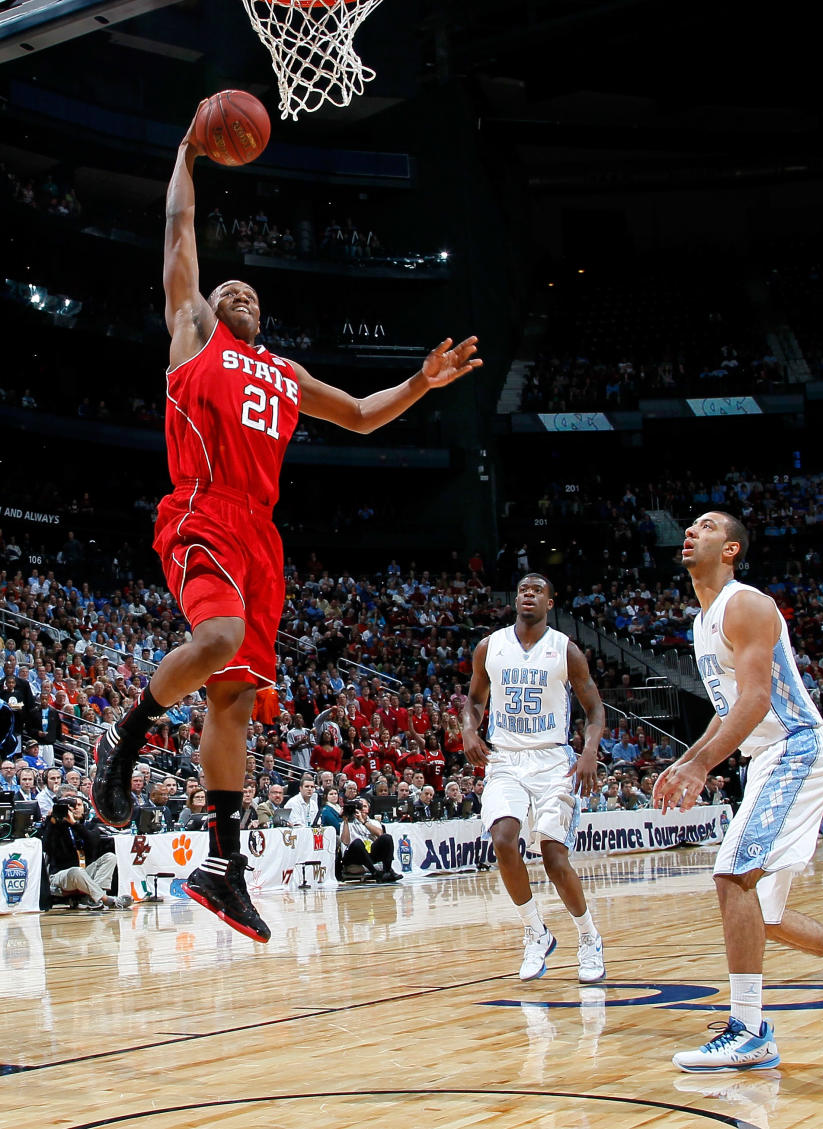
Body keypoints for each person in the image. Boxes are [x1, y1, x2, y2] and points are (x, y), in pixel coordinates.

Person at [90, 103, 482, 944]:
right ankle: (124, 741)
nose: (234, 290)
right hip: (203, 507)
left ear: (261, 317)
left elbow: (366, 416)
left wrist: (422, 382)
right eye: (226, 286)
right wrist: (187, 152)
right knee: (220, 636)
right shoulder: (193, 336)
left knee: (233, 700)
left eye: (248, 291)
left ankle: (222, 867)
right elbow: (179, 232)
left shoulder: (281, 372)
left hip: (262, 538)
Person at [653, 511, 823, 1072]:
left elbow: (755, 701)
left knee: (732, 875)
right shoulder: (703, 622)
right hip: (769, 758)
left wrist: (701, 767)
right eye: (691, 526)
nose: (691, 531)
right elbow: (728, 710)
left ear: (730, 549)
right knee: (764, 916)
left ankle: (749, 1030)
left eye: (705, 526)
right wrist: (684, 760)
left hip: (795, 748)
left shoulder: (745, 604)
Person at [462, 573, 606, 984]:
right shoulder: (490, 647)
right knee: (503, 841)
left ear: (550, 601)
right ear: (516, 599)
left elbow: (595, 710)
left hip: (552, 760)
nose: (528, 594)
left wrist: (589, 752)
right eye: (523, 589)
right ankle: (535, 931)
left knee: (554, 857)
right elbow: (473, 700)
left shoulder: (566, 650)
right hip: (505, 757)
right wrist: (469, 730)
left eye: (537, 590)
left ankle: (588, 937)